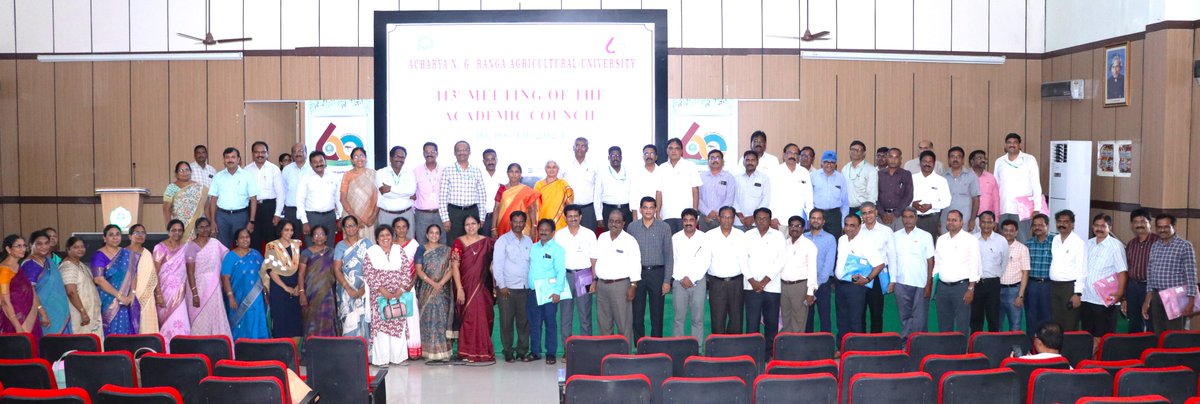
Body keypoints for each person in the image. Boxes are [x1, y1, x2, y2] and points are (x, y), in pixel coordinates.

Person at [364, 225, 418, 366]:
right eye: (381, 235)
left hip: (398, 295)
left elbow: (406, 271)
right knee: (381, 328)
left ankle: (398, 358)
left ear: (392, 236)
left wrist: (400, 289)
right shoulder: (371, 252)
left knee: (398, 324)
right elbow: (369, 274)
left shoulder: (398, 250)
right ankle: (382, 360)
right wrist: (384, 292)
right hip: (379, 296)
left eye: (388, 235)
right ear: (377, 238)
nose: (385, 238)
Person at [626, 197, 673, 341]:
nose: (648, 211)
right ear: (640, 209)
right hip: (638, 274)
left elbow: (669, 256)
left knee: (657, 314)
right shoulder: (632, 227)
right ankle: (640, 344)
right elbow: (628, 255)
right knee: (637, 313)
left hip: (657, 274)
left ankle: (656, 344)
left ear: (655, 209)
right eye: (645, 207)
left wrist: (667, 280)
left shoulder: (664, 227)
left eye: (651, 207)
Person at [451, 214, 496, 364]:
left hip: (483, 287)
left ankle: (483, 351)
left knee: (484, 317)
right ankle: (466, 352)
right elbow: (455, 266)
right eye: (467, 224)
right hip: (465, 287)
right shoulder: (458, 242)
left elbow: (495, 263)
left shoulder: (488, 242)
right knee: (469, 318)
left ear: (479, 225)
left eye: (473, 223)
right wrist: (459, 288)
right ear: (464, 227)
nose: (470, 227)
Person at [834, 214, 886, 342]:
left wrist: (867, 279)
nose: (848, 228)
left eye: (852, 225)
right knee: (841, 319)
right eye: (846, 225)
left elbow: (879, 264)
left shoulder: (866, 242)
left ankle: (856, 349)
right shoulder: (841, 239)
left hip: (856, 287)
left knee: (855, 320)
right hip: (840, 286)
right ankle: (842, 347)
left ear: (859, 227)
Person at [592, 209, 641, 344]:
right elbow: (596, 260)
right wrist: (595, 280)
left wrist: (633, 285)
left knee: (623, 324)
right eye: (611, 221)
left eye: (618, 221)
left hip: (621, 286)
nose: (614, 224)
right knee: (604, 325)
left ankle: (624, 354)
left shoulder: (630, 241)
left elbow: (635, 264)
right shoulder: (602, 238)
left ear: (623, 223)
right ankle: (607, 353)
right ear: (607, 222)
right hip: (602, 286)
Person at [1142, 213, 1197, 333]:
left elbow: (1191, 275)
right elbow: (1150, 274)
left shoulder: (1184, 246)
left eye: (1166, 227)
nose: (1162, 230)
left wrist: (1191, 302)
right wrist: (1147, 300)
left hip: (1176, 297)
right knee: (1159, 332)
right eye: (1159, 227)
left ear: (1174, 226)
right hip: (1157, 296)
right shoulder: (1155, 246)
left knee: (1175, 333)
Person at [744, 208, 785, 353]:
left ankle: (769, 353)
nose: (762, 221)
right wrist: (753, 281)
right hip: (751, 287)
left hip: (772, 287)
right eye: (759, 218)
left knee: (771, 323)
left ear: (770, 220)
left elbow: (781, 260)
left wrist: (765, 281)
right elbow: (742, 260)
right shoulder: (747, 236)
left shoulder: (778, 236)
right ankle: (752, 353)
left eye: (765, 218)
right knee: (752, 323)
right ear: (754, 220)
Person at [493, 211, 533, 363]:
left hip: (524, 288)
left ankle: (522, 351)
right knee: (506, 322)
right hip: (507, 289)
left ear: (525, 223)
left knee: (523, 322)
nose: (518, 224)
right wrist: (502, 286)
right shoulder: (502, 241)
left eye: (521, 221)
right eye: (515, 221)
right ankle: (508, 351)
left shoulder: (528, 241)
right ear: (510, 223)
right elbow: (497, 265)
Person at [556, 205, 597, 348]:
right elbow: (556, 260)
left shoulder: (589, 234)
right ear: (565, 218)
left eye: (575, 216)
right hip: (566, 276)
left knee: (585, 315)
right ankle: (567, 350)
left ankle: (586, 348)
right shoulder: (559, 235)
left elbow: (594, 259)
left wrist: (594, 279)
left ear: (581, 217)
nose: (573, 219)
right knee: (565, 316)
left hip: (584, 275)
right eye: (570, 216)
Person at [934, 211, 980, 334]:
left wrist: (971, 289)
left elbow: (975, 264)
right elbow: (937, 263)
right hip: (942, 288)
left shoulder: (970, 239)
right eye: (949, 219)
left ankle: (962, 347)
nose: (951, 222)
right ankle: (946, 347)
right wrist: (935, 286)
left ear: (961, 222)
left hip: (962, 288)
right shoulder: (941, 239)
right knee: (944, 325)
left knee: (962, 325)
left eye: (954, 220)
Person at [1082, 214, 1126, 342]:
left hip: (1105, 300)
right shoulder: (1088, 243)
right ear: (1092, 226)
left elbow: (1122, 272)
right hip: (1086, 297)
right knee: (1087, 334)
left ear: (1109, 227)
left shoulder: (1115, 246)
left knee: (1104, 337)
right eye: (1096, 225)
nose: (1099, 229)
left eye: (1103, 226)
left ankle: (1103, 355)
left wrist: (1119, 295)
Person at [891, 208, 935, 338]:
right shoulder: (895, 236)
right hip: (901, 282)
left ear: (916, 218)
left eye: (911, 217)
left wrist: (929, 284)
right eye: (905, 217)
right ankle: (906, 343)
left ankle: (919, 344)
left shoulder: (925, 236)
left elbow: (930, 261)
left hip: (920, 282)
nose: (907, 220)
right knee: (904, 317)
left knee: (920, 318)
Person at [413, 224, 454, 363]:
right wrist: (433, 283)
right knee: (427, 318)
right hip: (426, 289)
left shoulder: (446, 250)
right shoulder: (421, 249)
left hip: (442, 290)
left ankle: (444, 353)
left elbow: (451, 269)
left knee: (442, 319)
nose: (434, 235)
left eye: (437, 233)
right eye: (431, 232)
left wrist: (440, 283)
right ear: (427, 234)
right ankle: (429, 352)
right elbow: (418, 270)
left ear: (440, 235)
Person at [529, 219, 567, 365]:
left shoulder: (557, 249)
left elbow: (561, 272)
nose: (543, 232)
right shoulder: (533, 247)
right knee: (534, 323)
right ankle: (535, 352)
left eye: (547, 230)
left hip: (550, 293)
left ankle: (551, 353)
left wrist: (558, 292)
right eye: (541, 229)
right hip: (533, 292)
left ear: (552, 232)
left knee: (550, 323)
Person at [186, 218, 232, 336]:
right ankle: (199, 344)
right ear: (196, 230)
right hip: (197, 287)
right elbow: (190, 272)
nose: (205, 229)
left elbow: (227, 258)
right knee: (198, 318)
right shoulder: (191, 246)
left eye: (207, 226)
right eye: (201, 227)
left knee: (215, 315)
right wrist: (195, 294)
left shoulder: (215, 243)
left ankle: (218, 342)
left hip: (214, 287)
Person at [994, 133, 1044, 242]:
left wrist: (1037, 208)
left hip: (1023, 210)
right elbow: (995, 186)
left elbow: (1036, 184)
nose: (1012, 145)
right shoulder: (999, 161)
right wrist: (995, 209)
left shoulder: (1029, 159)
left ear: (1019, 145)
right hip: (1004, 208)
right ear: (1005, 145)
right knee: (1003, 241)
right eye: (1009, 142)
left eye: (1015, 142)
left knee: (1024, 240)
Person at [207, 147, 259, 248]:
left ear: (238, 159)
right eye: (227, 157)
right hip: (222, 217)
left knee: (242, 245)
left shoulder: (247, 176)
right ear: (224, 160)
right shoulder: (218, 176)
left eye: (233, 157)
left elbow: (253, 200)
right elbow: (213, 200)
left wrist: (252, 221)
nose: (230, 160)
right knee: (222, 246)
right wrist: (212, 221)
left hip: (241, 216)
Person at [221, 227, 268, 340]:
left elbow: (264, 276)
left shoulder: (256, 254)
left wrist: (266, 294)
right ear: (236, 241)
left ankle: (260, 344)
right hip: (237, 297)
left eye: (247, 237)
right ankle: (240, 346)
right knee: (241, 323)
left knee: (257, 320)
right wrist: (230, 296)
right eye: (241, 238)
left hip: (257, 297)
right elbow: (225, 278)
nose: (245, 239)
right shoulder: (230, 256)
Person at [19, 230, 69, 336]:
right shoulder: (30, 264)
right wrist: (42, 312)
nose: (44, 247)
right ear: (31, 245)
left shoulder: (48, 261)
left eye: (46, 243)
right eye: (39, 244)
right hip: (41, 312)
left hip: (58, 310)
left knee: (62, 342)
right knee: (47, 342)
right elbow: (30, 291)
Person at [707, 206, 747, 334]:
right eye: (724, 217)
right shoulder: (710, 236)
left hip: (736, 283)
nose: (726, 220)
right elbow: (704, 260)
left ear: (734, 219)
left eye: (730, 217)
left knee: (736, 319)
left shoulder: (741, 236)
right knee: (717, 319)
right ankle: (718, 346)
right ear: (719, 218)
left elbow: (745, 260)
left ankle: (735, 346)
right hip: (717, 283)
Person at [671, 209, 710, 342]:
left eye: (691, 220)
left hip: (698, 283)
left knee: (697, 319)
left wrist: (691, 278)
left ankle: (697, 348)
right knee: (678, 319)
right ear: (682, 222)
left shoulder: (704, 238)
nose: (688, 223)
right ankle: (678, 347)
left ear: (696, 221)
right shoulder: (675, 238)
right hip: (679, 282)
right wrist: (682, 278)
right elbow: (672, 260)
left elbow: (706, 261)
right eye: (685, 220)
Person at [92, 225, 137, 335]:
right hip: (108, 300)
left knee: (126, 329)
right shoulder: (99, 255)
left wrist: (132, 294)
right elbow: (98, 279)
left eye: (118, 234)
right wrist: (120, 296)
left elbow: (133, 275)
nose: (115, 237)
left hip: (127, 300)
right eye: (111, 235)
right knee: (110, 331)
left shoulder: (127, 253)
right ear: (104, 238)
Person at [152, 220, 192, 343]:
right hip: (164, 292)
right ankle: (166, 348)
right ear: (168, 232)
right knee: (166, 322)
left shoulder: (186, 247)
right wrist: (158, 295)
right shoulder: (160, 247)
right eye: (174, 230)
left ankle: (181, 348)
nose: (177, 233)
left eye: (180, 230)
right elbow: (154, 273)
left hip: (181, 293)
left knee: (181, 320)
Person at [333, 216, 373, 339]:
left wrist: (363, 289)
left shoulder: (367, 243)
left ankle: (366, 349)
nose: (350, 228)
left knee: (364, 319)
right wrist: (348, 289)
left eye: (353, 225)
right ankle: (349, 348)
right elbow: (337, 269)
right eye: (347, 226)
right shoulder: (340, 246)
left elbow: (373, 267)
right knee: (349, 321)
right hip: (345, 289)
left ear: (358, 227)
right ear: (344, 229)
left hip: (364, 288)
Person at [859, 202, 896, 333]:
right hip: (860, 276)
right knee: (859, 313)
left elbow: (892, 257)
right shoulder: (857, 230)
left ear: (876, 212)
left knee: (876, 313)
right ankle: (860, 341)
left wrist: (893, 280)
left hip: (878, 277)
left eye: (870, 212)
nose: (867, 215)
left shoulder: (886, 231)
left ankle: (876, 342)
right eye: (864, 213)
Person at [440, 141, 488, 242]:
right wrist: (445, 219)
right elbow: (442, 198)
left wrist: (482, 217)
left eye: (465, 150)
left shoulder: (476, 170)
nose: (462, 152)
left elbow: (482, 196)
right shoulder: (447, 170)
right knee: (454, 243)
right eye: (459, 150)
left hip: (473, 211)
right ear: (454, 153)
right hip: (454, 213)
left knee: (473, 243)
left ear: (469, 152)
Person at [1, 235, 46, 341]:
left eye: (24, 246)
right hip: (15, 317)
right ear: (8, 249)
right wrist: (17, 325)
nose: (23, 249)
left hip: (30, 312)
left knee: (32, 344)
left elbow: (29, 289)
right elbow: (4, 301)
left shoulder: (18, 266)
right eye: (18, 246)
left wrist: (41, 311)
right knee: (21, 346)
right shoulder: (4, 270)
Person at [264, 222, 304, 340]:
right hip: (279, 289)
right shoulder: (271, 246)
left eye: (291, 230)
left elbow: (302, 268)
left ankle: (295, 350)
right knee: (280, 321)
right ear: (280, 230)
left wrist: (298, 286)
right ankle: (280, 349)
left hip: (295, 288)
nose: (289, 233)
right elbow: (271, 270)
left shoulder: (297, 245)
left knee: (295, 321)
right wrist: (286, 288)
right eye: (286, 230)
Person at [972, 212, 1010, 333]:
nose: (986, 225)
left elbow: (1004, 261)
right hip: (975, 283)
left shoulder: (1001, 240)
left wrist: (997, 275)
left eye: (989, 222)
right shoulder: (972, 239)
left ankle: (994, 343)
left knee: (993, 317)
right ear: (979, 223)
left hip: (993, 284)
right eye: (983, 222)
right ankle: (975, 343)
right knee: (975, 318)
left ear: (994, 224)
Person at [1049, 210, 1086, 331]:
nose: (1062, 224)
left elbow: (1082, 269)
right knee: (1056, 323)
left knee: (1070, 323)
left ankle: (1070, 345)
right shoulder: (1055, 239)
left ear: (1072, 224)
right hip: (1054, 286)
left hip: (1070, 288)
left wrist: (1077, 294)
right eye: (1059, 221)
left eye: (1066, 222)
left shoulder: (1078, 243)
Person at [299, 222, 337, 337]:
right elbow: (301, 274)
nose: (319, 237)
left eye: (321, 234)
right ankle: (311, 346)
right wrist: (302, 293)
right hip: (311, 295)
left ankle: (329, 346)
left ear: (326, 237)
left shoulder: (332, 252)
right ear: (312, 238)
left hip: (328, 295)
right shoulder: (306, 253)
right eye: (316, 234)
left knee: (328, 321)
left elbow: (336, 272)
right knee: (311, 322)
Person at [781, 215, 818, 334]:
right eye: (792, 226)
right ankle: (786, 343)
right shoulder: (784, 244)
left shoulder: (809, 245)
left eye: (798, 226)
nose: (794, 228)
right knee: (785, 318)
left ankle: (797, 345)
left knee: (799, 320)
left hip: (800, 287)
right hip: (783, 286)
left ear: (803, 228)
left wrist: (810, 292)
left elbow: (812, 270)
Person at [244, 141, 285, 249]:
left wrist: (277, 214)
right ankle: (256, 260)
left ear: (267, 153)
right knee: (254, 241)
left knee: (271, 242)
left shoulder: (274, 169)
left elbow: (280, 194)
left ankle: (271, 261)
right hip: (252, 209)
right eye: (257, 152)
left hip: (269, 208)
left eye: (263, 152)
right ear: (252, 154)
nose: (260, 155)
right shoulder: (246, 170)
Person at [392, 217, 423, 360]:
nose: (401, 230)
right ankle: (398, 351)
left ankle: (412, 349)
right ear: (394, 229)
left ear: (408, 228)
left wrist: (411, 283)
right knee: (395, 317)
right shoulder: (390, 244)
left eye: (404, 226)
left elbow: (417, 266)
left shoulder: (414, 244)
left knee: (410, 317)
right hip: (393, 288)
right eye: (398, 227)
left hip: (409, 287)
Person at [60, 237, 102, 339]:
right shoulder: (68, 267)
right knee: (82, 342)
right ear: (68, 249)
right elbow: (71, 292)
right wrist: (83, 312)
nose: (80, 249)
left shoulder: (81, 265)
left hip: (90, 313)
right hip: (79, 314)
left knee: (93, 342)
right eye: (76, 247)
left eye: (82, 247)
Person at [297, 152, 341, 247]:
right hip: (312, 218)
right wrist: (304, 222)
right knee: (312, 247)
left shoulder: (334, 176)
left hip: (330, 217)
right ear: (311, 164)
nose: (319, 164)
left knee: (329, 247)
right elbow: (300, 200)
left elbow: (338, 199)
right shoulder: (305, 178)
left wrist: (340, 217)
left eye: (321, 161)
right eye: (315, 162)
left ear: (325, 162)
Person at [804, 209, 838, 333]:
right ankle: (807, 343)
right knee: (807, 317)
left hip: (822, 283)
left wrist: (815, 285)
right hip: (805, 282)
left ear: (823, 221)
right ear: (809, 220)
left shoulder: (830, 239)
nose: (816, 220)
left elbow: (828, 265)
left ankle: (826, 343)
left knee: (824, 316)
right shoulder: (803, 237)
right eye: (813, 218)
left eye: (819, 218)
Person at [658, 138, 702, 233]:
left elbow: (695, 190)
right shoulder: (661, 168)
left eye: (676, 148)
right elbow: (659, 192)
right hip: (666, 214)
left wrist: (695, 212)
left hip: (686, 215)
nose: (673, 151)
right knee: (669, 242)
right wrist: (657, 213)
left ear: (682, 151)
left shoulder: (690, 166)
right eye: (671, 148)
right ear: (667, 151)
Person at [1124, 208, 1156, 332]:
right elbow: (1127, 269)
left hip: (1150, 288)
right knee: (1134, 322)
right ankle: (1135, 344)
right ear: (1132, 225)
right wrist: (1124, 297)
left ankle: (1151, 345)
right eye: (1136, 222)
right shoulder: (1131, 244)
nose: (1139, 225)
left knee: (1151, 322)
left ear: (1150, 223)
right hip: (1132, 287)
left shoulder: (1157, 242)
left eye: (1143, 221)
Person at [769, 144, 814, 228]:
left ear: (798, 157)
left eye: (795, 153)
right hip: (779, 220)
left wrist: (809, 217)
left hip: (799, 220)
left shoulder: (804, 172)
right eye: (790, 152)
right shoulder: (775, 172)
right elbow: (770, 196)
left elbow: (809, 197)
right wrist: (772, 217)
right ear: (784, 155)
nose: (792, 156)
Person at [163, 161, 209, 242]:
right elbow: (166, 209)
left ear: (191, 172)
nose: (185, 173)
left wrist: (210, 224)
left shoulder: (200, 188)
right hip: (179, 227)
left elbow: (206, 207)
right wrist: (169, 227)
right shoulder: (171, 188)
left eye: (187, 170)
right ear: (176, 173)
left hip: (197, 227)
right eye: (181, 170)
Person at [1025, 214, 1055, 337]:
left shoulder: (1055, 242)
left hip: (1048, 285)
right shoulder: (1028, 243)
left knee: (1047, 316)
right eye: (1035, 225)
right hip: (1031, 284)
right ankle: (1031, 343)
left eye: (1041, 225)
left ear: (1047, 225)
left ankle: (1046, 342)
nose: (1037, 227)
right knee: (1031, 316)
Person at [562, 138, 601, 231]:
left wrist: (599, 215)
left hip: (588, 210)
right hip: (570, 209)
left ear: (587, 149)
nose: (580, 148)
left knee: (589, 236)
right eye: (577, 145)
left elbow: (598, 192)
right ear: (573, 147)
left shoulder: (594, 166)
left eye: (583, 146)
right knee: (569, 236)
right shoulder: (565, 165)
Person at [377, 146, 418, 235]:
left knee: (408, 242)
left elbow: (411, 191)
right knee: (386, 241)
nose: (400, 159)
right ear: (390, 158)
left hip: (406, 214)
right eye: (397, 156)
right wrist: (407, 196)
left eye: (402, 157)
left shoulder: (410, 173)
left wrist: (391, 189)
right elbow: (386, 194)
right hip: (386, 215)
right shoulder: (380, 173)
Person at [910, 151, 952, 238]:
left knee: (929, 243)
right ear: (920, 163)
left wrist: (931, 206)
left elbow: (947, 200)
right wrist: (912, 204)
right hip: (912, 217)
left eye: (930, 162)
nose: (927, 164)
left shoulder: (941, 180)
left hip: (932, 219)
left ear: (934, 163)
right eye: (925, 161)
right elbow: (904, 197)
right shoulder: (911, 178)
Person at [999, 219, 1031, 332]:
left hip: (1014, 291)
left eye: (1011, 230)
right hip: (997, 289)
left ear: (1016, 232)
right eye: (1006, 230)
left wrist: (1020, 296)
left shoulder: (1022, 249)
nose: (1008, 233)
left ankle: (1015, 344)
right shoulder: (997, 246)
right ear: (1002, 231)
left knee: (1015, 325)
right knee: (997, 324)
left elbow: (1025, 273)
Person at [127, 224, 159, 334]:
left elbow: (153, 276)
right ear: (130, 236)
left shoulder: (147, 254)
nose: (140, 235)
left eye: (143, 233)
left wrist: (158, 294)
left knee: (147, 326)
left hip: (147, 295)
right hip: (127, 296)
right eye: (137, 232)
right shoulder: (123, 253)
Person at [340, 147, 378, 240]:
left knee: (370, 244)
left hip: (370, 218)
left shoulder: (374, 174)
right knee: (353, 244)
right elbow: (343, 199)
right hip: (351, 217)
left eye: (361, 156)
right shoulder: (347, 175)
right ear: (352, 160)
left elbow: (379, 198)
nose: (359, 159)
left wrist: (373, 216)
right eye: (355, 157)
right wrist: (355, 218)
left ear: (366, 158)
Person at [811, 151, 849, 237]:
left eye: (832, 162)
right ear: (821, 162)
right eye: (826, 162)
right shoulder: (813, 176)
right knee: (816, 239)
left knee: (834, 240)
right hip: (817, 214)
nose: (829, 165)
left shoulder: (841, 178)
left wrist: (844, 222)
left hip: (834, 215)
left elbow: (845, 203)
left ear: (835, 164)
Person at [943, 147, 980, 234]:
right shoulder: (942, 177)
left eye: (958, 156)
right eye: (952, 156)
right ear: (948, 159)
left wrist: (972, 220)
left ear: (963, 160)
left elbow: (976, 200)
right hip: (946, 220)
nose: (955, 159)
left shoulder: (971, 176)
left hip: (965, 220)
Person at [414, 142, 444, 245]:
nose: (429, 154)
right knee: (422, 243)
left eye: (432, 152)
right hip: (422, 214)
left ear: (437, 154)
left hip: (440, 214)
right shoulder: (416, 171)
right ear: (423, 154)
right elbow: (413, 193)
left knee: (442, 243)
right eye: (427, 152)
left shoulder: (444, 170)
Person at [279, 143, 311, 240]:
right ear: (292, 155)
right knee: (292, 241)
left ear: (306, 153)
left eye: (301, 151)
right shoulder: (286, 170)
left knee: (310, 240)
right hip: (291, 211)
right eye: (295, 152)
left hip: (309, 210)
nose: (298, 154)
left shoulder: (312, 169)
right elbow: (282, 191)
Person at [699, 150, 736, 231]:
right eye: (712, 158)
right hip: (705, 217)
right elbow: (697, 198)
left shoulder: (729, 178)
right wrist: (708, 212)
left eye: (717, 158)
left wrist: (717, 213)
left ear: (722, 161)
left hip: (722, 218)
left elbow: (729, 199)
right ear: (708, 161)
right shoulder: (701, 177)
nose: (715, 160)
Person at [878, 148, 914, 231]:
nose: (893, 160)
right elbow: (874, 196)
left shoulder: (906, 174)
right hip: (882, 216)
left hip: (900, 216)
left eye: (896, 157)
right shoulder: (879, 174)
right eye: (891, 157)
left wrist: (896, 214)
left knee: (900, 238)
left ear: (900, 159)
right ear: (887, 158)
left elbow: (908, 196)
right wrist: (882, 214)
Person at [598, 146, 635, 227]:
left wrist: (634, 213)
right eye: (612, 156)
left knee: (626, 234)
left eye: (617, 155)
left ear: (621, 157)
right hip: (608, 210)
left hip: (626, 210)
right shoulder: (602, 172)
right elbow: (597, 196)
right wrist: (599, 217)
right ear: (608, 157)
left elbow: (633, 193)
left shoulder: (629, 172)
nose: (615, 158)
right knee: (610, 234)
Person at [735, 151, 772, 229]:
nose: (750, 162)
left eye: (753, 160)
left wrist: (753, 217)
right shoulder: (736, 178)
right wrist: (741, 217)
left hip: (757, 222)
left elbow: (765, 200)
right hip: (739, 221)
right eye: (747, 160)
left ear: (757, 162)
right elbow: (733, 199)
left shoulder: (764, 178)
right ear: (743, 162)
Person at [535, 161, 573, 232]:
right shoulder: (539, 185)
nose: (551, 170)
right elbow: (535, 205)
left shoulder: (563, 183)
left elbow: (569, 201)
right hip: (543, 218)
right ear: (545, 169)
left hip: (560, 220)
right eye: (549, 167)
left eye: (554, 167)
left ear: (558, 170)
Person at [842, 140, 878, 218]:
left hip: (862, 209)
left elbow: (872, 194)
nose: (855, 152)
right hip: (847, 209)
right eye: (853, 149)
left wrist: (867, 212)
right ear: (850, 152)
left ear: (864, 153)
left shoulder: (870, 169)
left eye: (858, 150)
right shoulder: (845, 168)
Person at [629, 144, 662, 226]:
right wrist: (634, 216)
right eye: (646, 153)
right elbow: (633, 195)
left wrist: (658, 214)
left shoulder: (662, 172)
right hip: (640, 215)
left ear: (656, 157)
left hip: (659, 215)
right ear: (643, 156)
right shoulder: (636, 173)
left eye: (652, 153)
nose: (649, 156)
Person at [971, 150, 1001, 233]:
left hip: (987, 220)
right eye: (979, 158)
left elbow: (996, 200)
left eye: (984, 158)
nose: (983, 160)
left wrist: (996, 220)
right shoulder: (966, 176)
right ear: (972, 161)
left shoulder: (991, 178)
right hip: (970, 219)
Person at [481, 149, 504, 237]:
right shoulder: (479, 176)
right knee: (484, 243)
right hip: (484, 218)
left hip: (500, 217)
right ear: (483, 161)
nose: (490, 162)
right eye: (487, 160)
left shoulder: (504, 176)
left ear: (496, 160)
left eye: (493, 159)